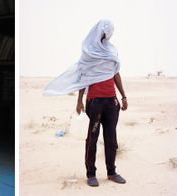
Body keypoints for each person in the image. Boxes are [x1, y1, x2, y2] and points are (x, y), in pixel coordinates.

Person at [43, 19, 127, 187]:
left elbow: (116, 73)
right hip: (95, 102)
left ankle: (111, 172)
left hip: (112, 102)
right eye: (105, 31)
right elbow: (83, 77)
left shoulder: (111, 51)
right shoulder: (89, 52)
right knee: (92, 138)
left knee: (111, 139)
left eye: (109, 32)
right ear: (99, 31)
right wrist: (79, 100)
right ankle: (91, 174)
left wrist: (123, 96)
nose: (107, 34)